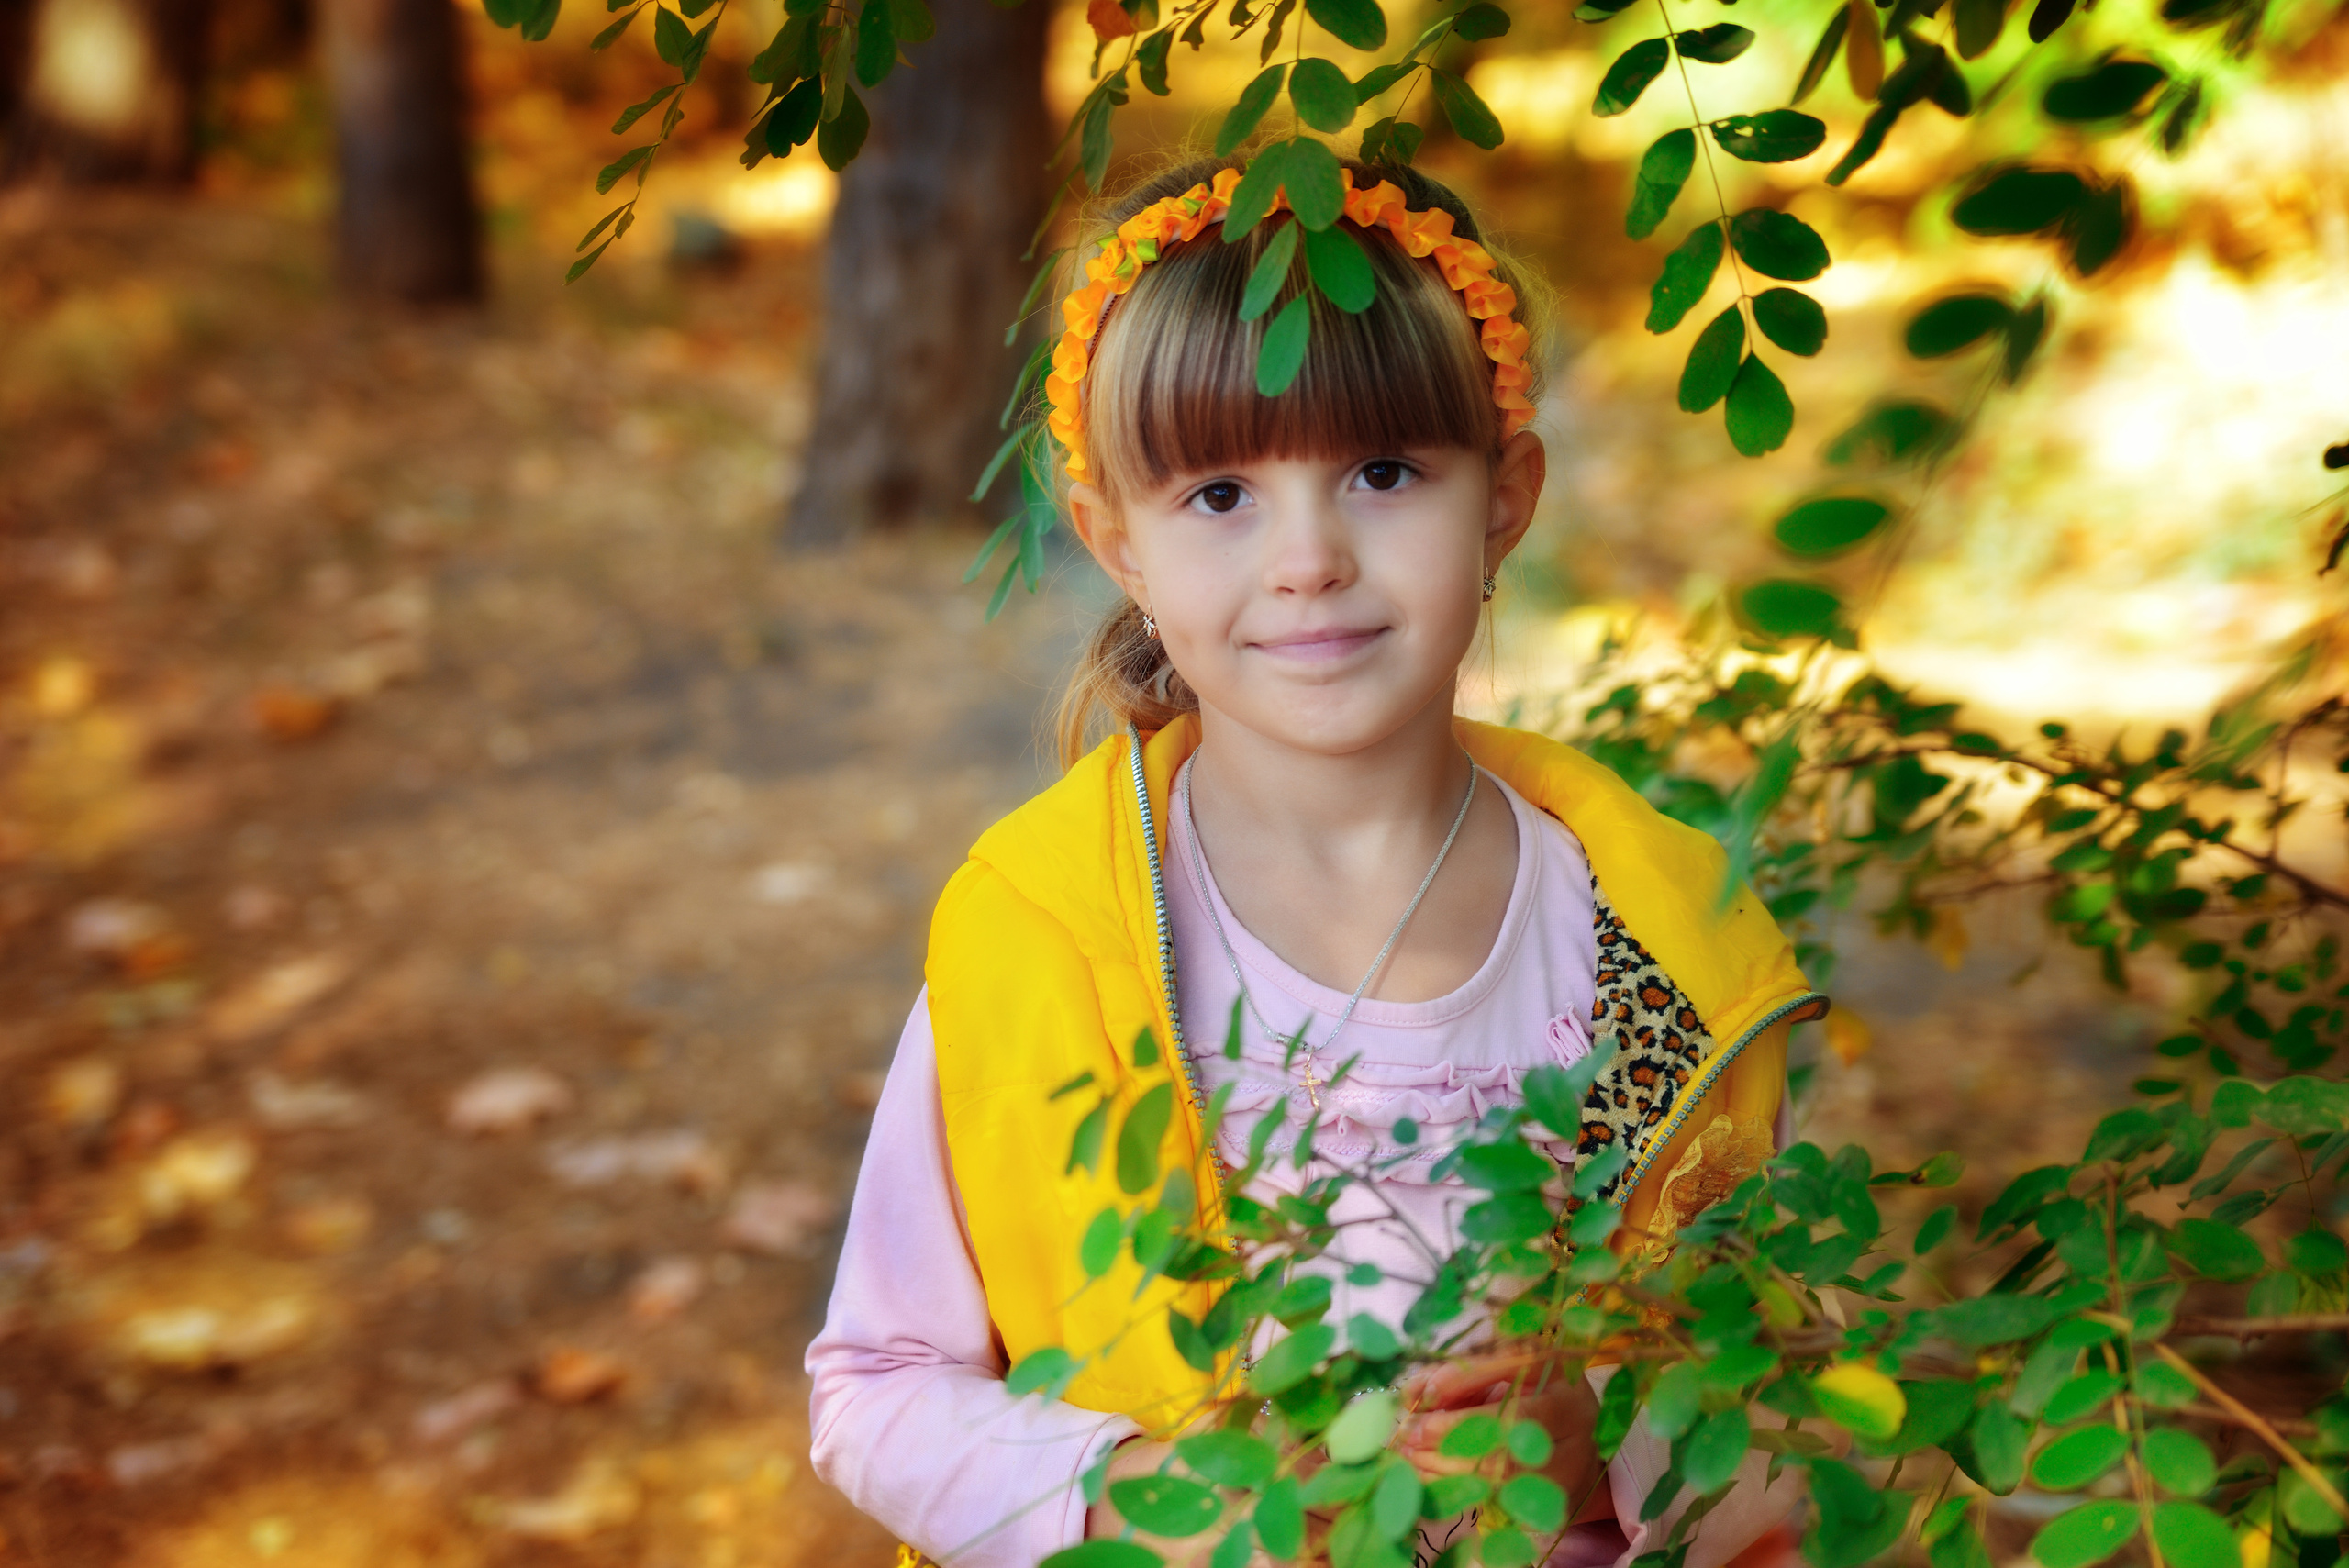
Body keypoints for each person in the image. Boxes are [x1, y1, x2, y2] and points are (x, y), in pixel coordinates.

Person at [807, 155, 1827, 1568]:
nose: (1310, 558)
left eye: (1383, 472)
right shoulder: (1047, 941)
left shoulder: (1651, 945)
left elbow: (1775, 1393)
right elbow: (879, 1385)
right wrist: (1145, 1499)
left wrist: (1608, 1440)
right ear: (1117, 541)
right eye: (1221, 492)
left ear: (1505, 497)